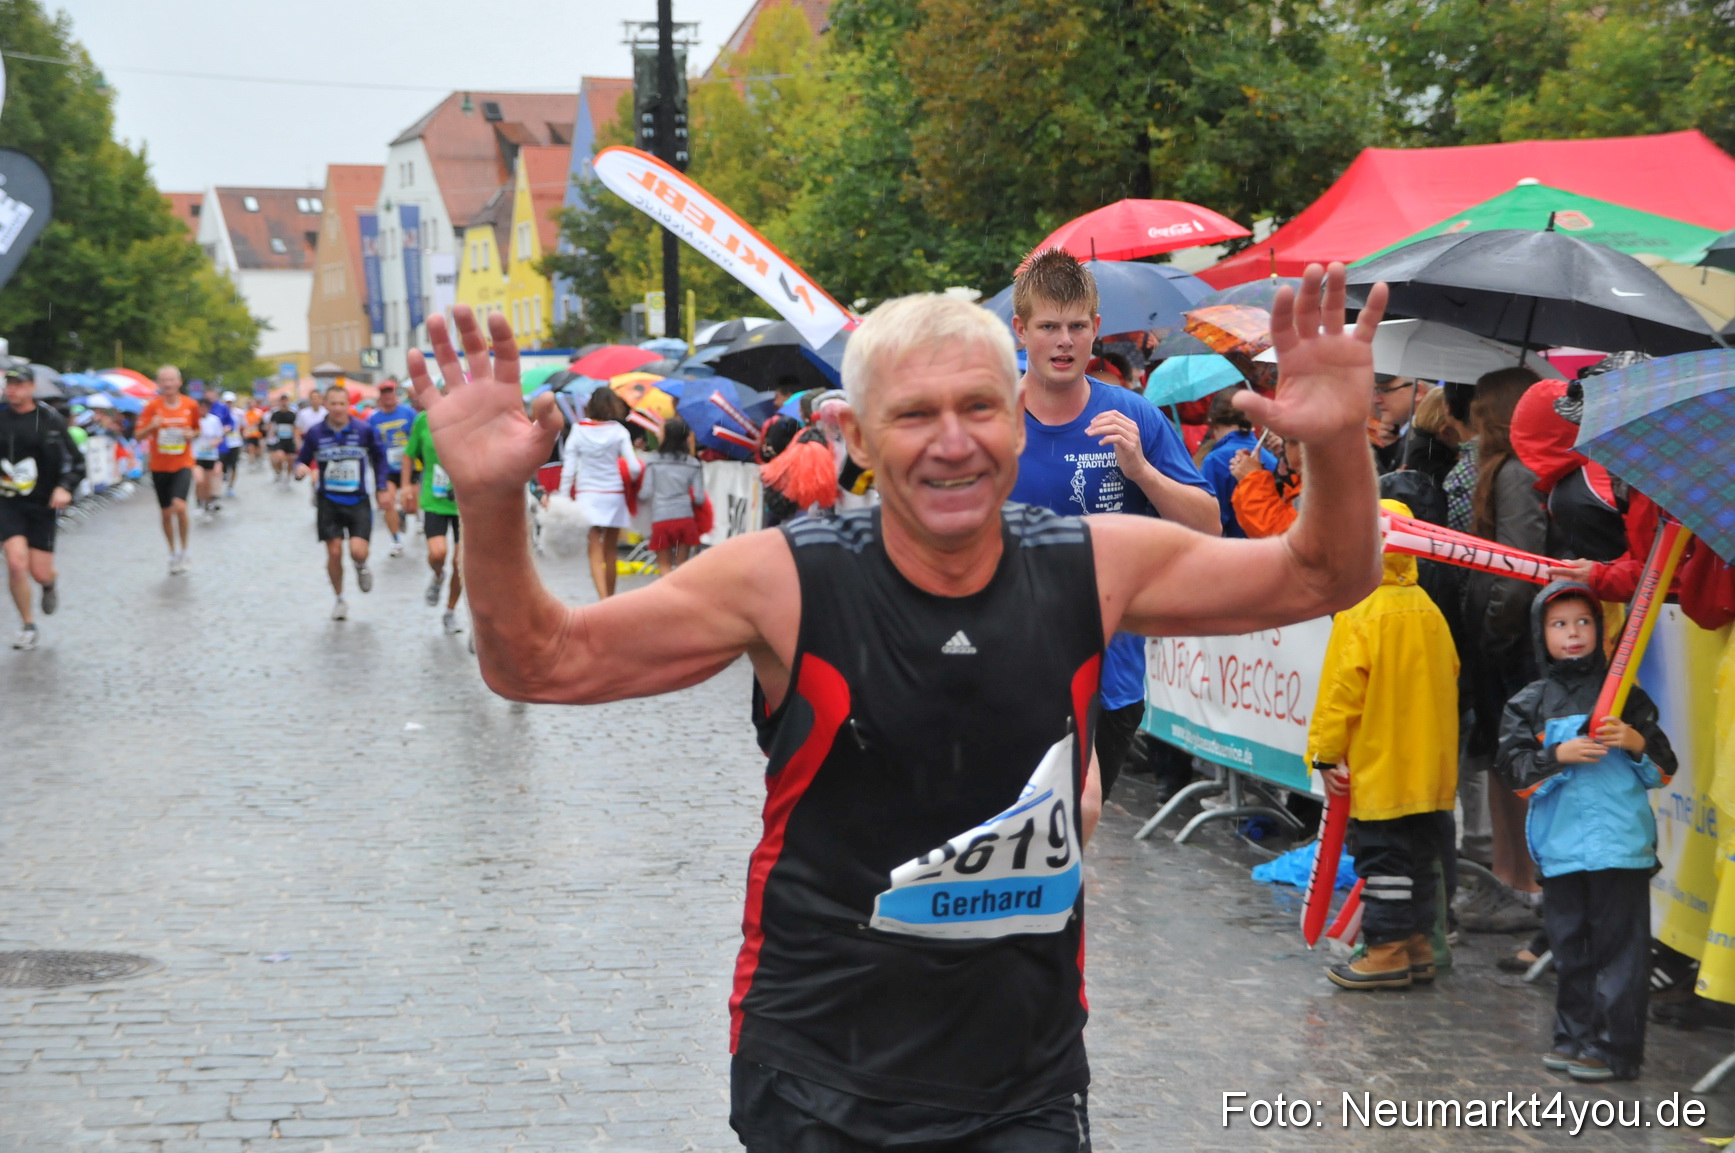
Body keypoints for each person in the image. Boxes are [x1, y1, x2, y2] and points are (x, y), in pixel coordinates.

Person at [408, 262, 1389, 1153]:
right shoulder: (782, 583)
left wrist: (1338, 438)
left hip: (1023, 1075)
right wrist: (488, 500)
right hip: (822, 1072)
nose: (952, 443)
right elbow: (540, 660)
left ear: (1018, 420)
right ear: (858, 436)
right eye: (915, 414)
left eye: (978, 407)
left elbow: (1326, 575)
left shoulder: (1091, 564)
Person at [1008, 249, 1219, 804]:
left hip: (1109, 677)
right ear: (1021, 330)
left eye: (1077, 327)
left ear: (1096, 328)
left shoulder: (1134, 416)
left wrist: (1142, 471)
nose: (1064, 342)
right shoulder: (988, 419)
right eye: (1048, 327)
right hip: (1004, 671)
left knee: (1074, 829)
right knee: (1006, 834)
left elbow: (1209, 526)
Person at [1495, 581, 1676, 1082]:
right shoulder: (1528, 703)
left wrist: (1634, 741)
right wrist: (1558, 755)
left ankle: (1615, 1049)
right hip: (1561, 849)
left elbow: (1664, 770)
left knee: (1621, 954)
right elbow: (1515, 773)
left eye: (1583, 622)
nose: (1572, 633)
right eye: (1559, 624)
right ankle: (1572, 1038)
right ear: (1542, 634)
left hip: (1621, 848)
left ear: (1600, 628)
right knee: (1570, 949)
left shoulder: (1627, 697)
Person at [1309, 499, 1460, 990]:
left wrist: (1324, 753)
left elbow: (1340, 693)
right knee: (1420, 861)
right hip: (1430, 770)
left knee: (1385, 864)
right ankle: (1418, 946)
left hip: (1382, 765)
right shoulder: (1430, 610)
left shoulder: (1361, 613)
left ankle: (1386, 950)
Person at [1458, 367, 1549, 935]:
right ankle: (1509, 879)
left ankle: (1525, 885)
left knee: (1515, 765)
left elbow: (1517, 570)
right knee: (1499, 760)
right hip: (1502, 642)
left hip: (1512, 647)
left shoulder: (1515, 473)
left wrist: (1492, 633)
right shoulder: (1504, 469)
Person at [295, 383, 391, 621]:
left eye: (342, 403)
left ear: (349, 405)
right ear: (325, 404)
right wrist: (300, 469)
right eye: (333, 403)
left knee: (358, 551)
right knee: (334, 552)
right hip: (328, 501)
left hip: (358, 499)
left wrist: (381, 487)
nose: (338, 408)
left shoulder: (363, 429)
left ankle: (360, 565)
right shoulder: (316, 433)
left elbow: (380, 458)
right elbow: (302, 459)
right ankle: (339, 599)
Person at [1, 364, 75, 650]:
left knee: (39, 572)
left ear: (32, 387)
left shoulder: (49, 419)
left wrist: (64, 486)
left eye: (18, 384)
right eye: (9, 384)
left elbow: (75, 460)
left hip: (42, 503)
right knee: (16, 563)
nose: (12, 389)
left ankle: (49, 582)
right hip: (8, 503)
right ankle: (27, 625)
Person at [558, 387, 641, 600]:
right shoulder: (619, 431)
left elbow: (569, 469)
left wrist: (564, 497)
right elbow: (634, 467)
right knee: (610, 551)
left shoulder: (578, 430)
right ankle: (610, 599)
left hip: (588, 494)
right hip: (614, 493)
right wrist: (631, 482)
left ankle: (602, 599)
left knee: (594, 550)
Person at [402, 405, 465, 633]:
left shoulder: (473, 417)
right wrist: (406, 487)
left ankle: (450, 612)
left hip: (464, 503)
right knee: (438, 554)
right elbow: (409, 454)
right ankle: (438, 576)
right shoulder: (424, 420)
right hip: (434, 499)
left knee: (460, 563)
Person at [136, 365, 200, 574]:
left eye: (171, 380)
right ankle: (172, 552)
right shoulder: (152, 407)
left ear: (179, 382)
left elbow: (197, 429)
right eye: (164, 380)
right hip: (159, 466)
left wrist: (192, 434)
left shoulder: (190, 405)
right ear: (159, 383)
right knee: (165, 513)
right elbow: (138, 436)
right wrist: (152, 426)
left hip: (183, 463)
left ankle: (185, 550)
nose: (168, 384)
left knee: (179, 507)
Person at [1198, 386, 1275, 537]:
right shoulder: (1271, 458)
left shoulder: (1215, 460)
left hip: (1232, 548)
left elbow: (1210, 523)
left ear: (1213, 422)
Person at [642, 416, 706, 576]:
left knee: (664, 566)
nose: (657, 433)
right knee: (682, 567)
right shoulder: (693, 464)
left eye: (660, 431)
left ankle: (668, 591)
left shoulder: (653, 462)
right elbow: (699, 498)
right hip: (685, 519)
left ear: (666, 436)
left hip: (661, 518)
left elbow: (645, 493)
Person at [367, 381, 415, 557]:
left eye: (390, 392)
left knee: (412, 507)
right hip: (387, 469)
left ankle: (403, 513)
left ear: (396, 395)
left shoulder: (409, 413)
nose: (388, 396)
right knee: (387, 503)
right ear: (380, 397)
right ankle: (395, 540)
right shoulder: (373, 419)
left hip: (410, 466)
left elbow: (418, 436)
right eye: (384, 393)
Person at [1228, 435, 1302, 538]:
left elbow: (1283, 535)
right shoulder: (1301, 483)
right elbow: (1254, 528)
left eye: (1288, 442)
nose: (1283, 448)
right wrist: (1247, 480)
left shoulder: (1319, 488)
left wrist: (1253, 480)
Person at [1370, 375, 1423, 474]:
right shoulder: (1410, 436)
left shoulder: (1423, 447)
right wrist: (1390, 449)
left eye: (1386, 390)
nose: (1376, 400)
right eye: (1376, 390)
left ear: (1418, 391)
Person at [192, 394, 225, 514]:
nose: (202, 410)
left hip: (210, 455)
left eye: (205, 407)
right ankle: (199, 502)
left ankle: (207, 502)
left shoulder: (214, 420)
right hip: (196, 455)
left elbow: (220, 436)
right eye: (200, 407)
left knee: (207, 482)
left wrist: (216, 442)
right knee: (199, 480)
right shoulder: (193, 419)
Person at [212, 390, 244, 499]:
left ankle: (230, 487)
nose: (229, 404)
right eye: (227, 402)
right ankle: (218, 486)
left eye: (230, 402)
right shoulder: (218, 411)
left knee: (234, 466)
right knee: (220, 466)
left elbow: (243, 426)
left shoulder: (239, 413)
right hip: (222, 443)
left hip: (235, 442)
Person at [266, 394, 298, 482]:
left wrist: (296, 439)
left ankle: (288, 477)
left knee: (291, 460)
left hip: (289, 439)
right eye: (282, 400)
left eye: (286, 400)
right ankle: (279, 473)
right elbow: (271, 425)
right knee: (279, 457)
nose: (284, 402)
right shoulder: (276, 413)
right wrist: (271, 435)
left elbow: (295, 427)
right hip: (279, 439)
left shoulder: (292, 413)